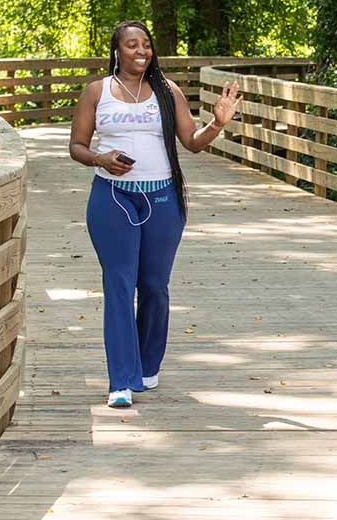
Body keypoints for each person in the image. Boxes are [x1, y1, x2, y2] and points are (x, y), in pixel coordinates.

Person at [68, 21, 241, 408]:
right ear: (117, 50)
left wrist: (218, 123)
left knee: (154, 287)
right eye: (132, 45)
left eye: (146, 44)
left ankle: (147, 365)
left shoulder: (166, 91)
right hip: (112, 198)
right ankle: (121, 381)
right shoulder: (97, 92)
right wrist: (100, 157)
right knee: (118, 284)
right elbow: (76, 146)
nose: (141, 51)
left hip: (161, 199)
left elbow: (192, 143)